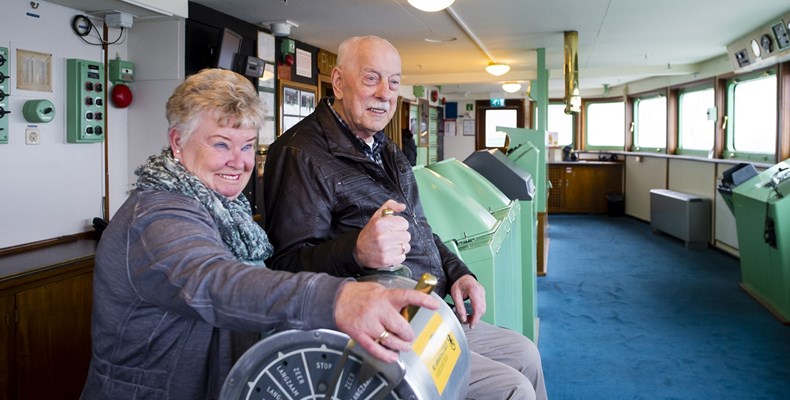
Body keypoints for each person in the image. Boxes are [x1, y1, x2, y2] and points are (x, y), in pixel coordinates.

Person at [80, 68, 438, 399]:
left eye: (248, 145)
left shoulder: (224, 209)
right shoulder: (157, 215)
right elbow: (215, 282)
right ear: (177, 141)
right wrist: (338, 300)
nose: (239, 161)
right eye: (221, 144)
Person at [263, 36, 548, 400]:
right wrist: (356, 252)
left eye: (393, 82)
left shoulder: (386, 148)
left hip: (425, 309)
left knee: (525, 353)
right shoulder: (299, 153)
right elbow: (285, 269)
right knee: (513, 389)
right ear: (337, 82)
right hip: (372, 328)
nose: (385, 93)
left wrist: (459, 272)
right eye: (371, 79)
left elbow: (421, 229)